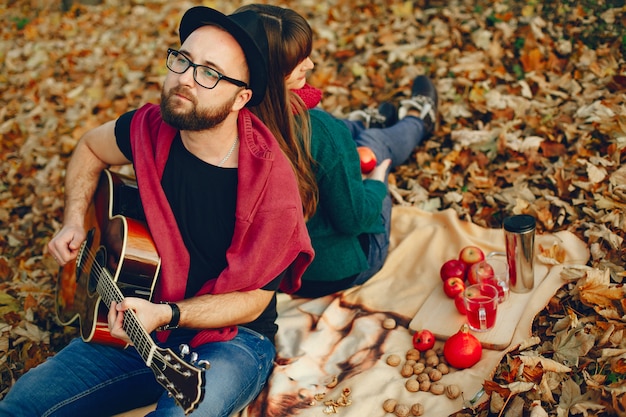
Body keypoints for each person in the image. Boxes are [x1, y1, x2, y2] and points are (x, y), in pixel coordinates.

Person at [0, 6, 313, 417]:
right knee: (21, 405)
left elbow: (255, 299)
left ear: (241, 98)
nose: (185, 79)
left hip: (231, 339)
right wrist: (74, 220)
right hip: (133, 318)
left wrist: (167, 314)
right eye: (183, 60)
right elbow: (89, 148)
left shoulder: (270, 182)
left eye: (210, 73)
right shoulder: (150, 128)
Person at [237, 4, 438, 298]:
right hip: (340, 270)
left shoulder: (228, 121)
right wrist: (377, 183)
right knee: (374, 145)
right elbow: (354, 218)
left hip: (277, 275)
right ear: (268, 72)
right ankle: (419, 119)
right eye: (297, 61)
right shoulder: (318, 129)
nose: (311, 65)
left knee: (343, 132)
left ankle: (359, 122)